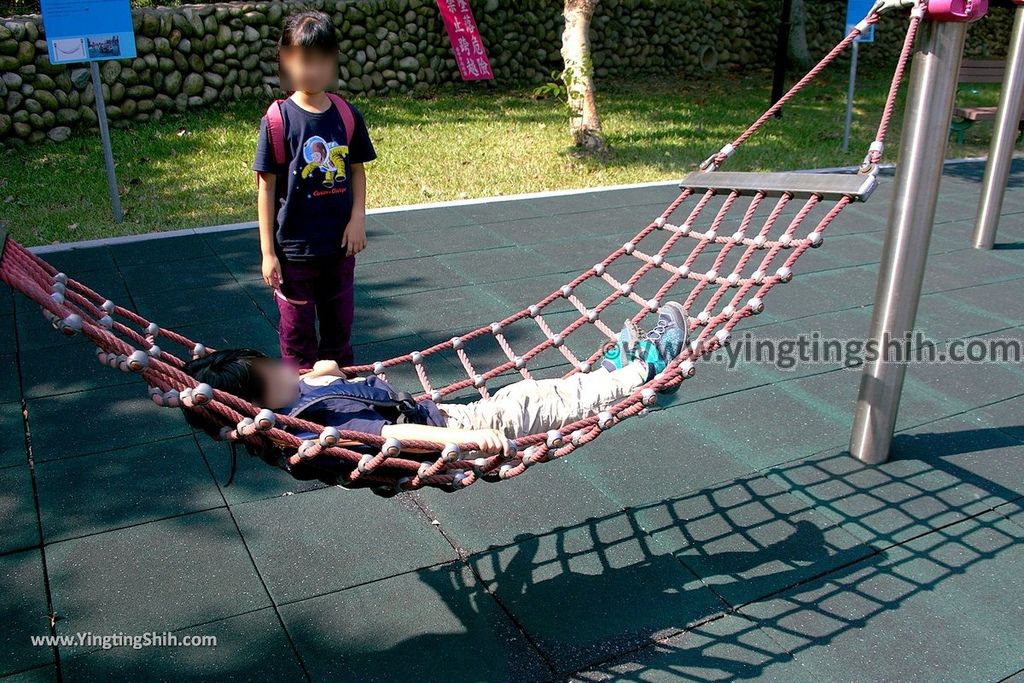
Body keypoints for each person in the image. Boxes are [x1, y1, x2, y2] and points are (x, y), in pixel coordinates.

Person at [183, 303, 689, 461]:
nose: (283, 368)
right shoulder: (323, 425)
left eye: (273, 362)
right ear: (258, 407)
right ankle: (649, 369)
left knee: (546, 393)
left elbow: (326, 375)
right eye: (272, 375)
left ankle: (616, 375)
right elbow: (395, 438)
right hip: (457, 431)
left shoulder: (301, 397)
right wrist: (469, 440)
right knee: (546, 403)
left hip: (455, 414)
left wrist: (318, 371)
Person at [254, 10, 376, 370]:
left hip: (339, 249)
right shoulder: (277, 120)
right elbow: (265, 188)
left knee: (339, 333)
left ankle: (343, 394)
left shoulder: (346, 114)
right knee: (297, 337)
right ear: (286, 60)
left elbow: (357, 172)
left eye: (323, 61)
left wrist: (357, 220)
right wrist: (267, 252)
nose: (315, 70)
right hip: (294, 253)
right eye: (306, 60)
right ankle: (303, 404)